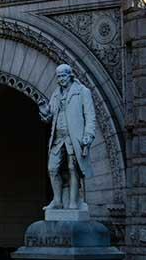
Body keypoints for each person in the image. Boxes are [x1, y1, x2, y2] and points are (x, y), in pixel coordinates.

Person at [39, 64, 96, 210]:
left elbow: (90, 116)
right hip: (58, 138)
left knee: (73, 168)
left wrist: (88, 135)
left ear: (70, 75)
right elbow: (49, 117)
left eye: (63, 76)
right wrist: (45, 111)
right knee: (52, 168)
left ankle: (73, 202)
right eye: (58, 77)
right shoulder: (56, 93)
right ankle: (57, 201)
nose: (61, 79)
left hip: (74, 137)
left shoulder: (82, 91)